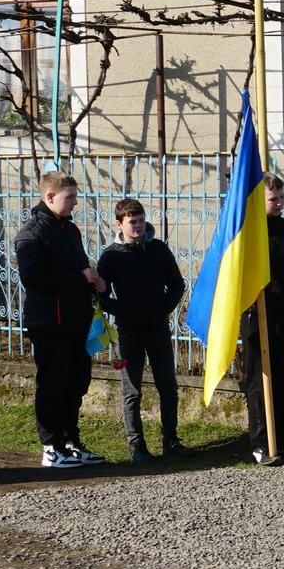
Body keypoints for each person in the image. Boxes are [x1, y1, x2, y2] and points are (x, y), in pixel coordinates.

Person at [15, 172, 105, 469]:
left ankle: (70, 442)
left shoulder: (69, 229)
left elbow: (79, 266)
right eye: (70, 198)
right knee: (53, 384)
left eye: (75, 197)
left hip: (75, 319)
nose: (75, 203)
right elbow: (33, 278)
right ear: (50, 197)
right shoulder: (32, 232)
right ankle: (51, 446)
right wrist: (79, 277)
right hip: (50, 322)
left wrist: (93, 279)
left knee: (76, 383)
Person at [97, 198, 188, 463]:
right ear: (119, 224)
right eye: (131, 222)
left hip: (157, 327)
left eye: (140, 221)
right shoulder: (112, 255)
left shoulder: (158, 249)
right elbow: (99, 293)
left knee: (168, 387)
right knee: (132, 390)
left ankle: (170, 440)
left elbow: (176, 284)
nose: (137, 226)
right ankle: (136, 446)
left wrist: (164, 307)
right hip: (128, 331)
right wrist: (122, 310)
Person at [242, 173, 284, 465]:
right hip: (260, 315)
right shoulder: (248, 231)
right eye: (273, 199)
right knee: (260, 381)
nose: (280, 203)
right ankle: (261, 444)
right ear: (259, 201)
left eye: (282, 197)